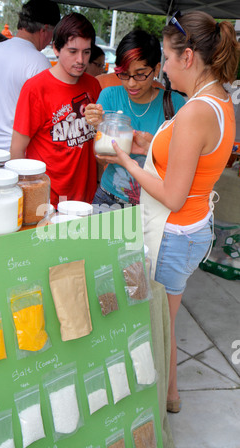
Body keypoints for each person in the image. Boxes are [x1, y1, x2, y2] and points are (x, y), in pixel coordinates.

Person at [97, 11, 240, 412]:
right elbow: (186, 158)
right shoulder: (217, 101)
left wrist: (126, 160)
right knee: (165, 320)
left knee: (156, 326)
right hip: (193, 229)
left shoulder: (195, 111)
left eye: (166, 58)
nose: (164, 72)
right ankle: (172, 395)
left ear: (188, 57)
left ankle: (150, 408)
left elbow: (174, 196)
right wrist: (146, 143)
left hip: (174, 232)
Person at [85, 28, 185, 209]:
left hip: (153, 204)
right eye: (124, 74)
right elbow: (100, 158)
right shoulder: (109, 96)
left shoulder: (174, 104)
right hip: (109, 199)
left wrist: (151, 148)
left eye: (140, 74)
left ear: (156, 69)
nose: (131, 83)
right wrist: (100, 127)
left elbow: (184, 164)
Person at [10, 13, 102, 208]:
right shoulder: (35, 88)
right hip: (47, 200)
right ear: (56, 48)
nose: (80, 60)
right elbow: (17, 149)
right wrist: (24, 196)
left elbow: (98, 141)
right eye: (72, 51)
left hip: (86, 199)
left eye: (86, 52)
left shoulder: (93, 85)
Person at [0, 0, 60, 151]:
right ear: (44, 30)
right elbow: (48, 116)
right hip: (22, 152)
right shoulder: (38, 62)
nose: (51, 41)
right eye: (53, 34)